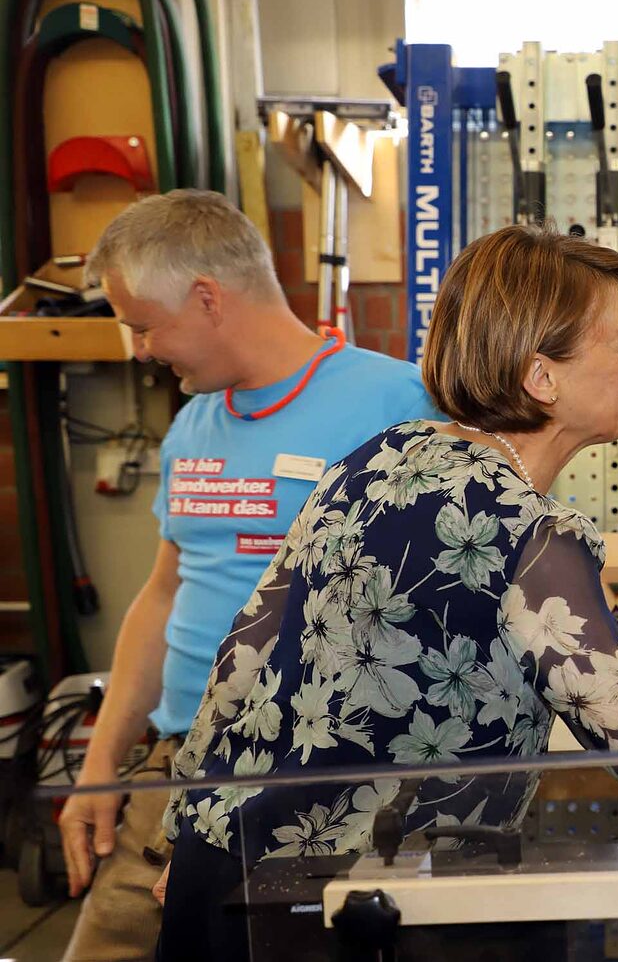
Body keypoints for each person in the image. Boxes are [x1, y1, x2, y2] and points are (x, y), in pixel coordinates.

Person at [153, 224, 618, 959]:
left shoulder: (378, 456)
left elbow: (245, 649)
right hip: (353, 916)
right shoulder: (532, 533)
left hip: (224, 872)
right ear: (542, 378)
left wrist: (183, 824)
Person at [58, 189, 438, 962]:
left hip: (316, 778)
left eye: (142, 324)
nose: (137, 349)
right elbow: (165, 594)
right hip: (175, 771)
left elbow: (434, 617)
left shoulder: (399, 405)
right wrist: (100, 769)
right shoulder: (192, 424)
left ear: (206, 297)